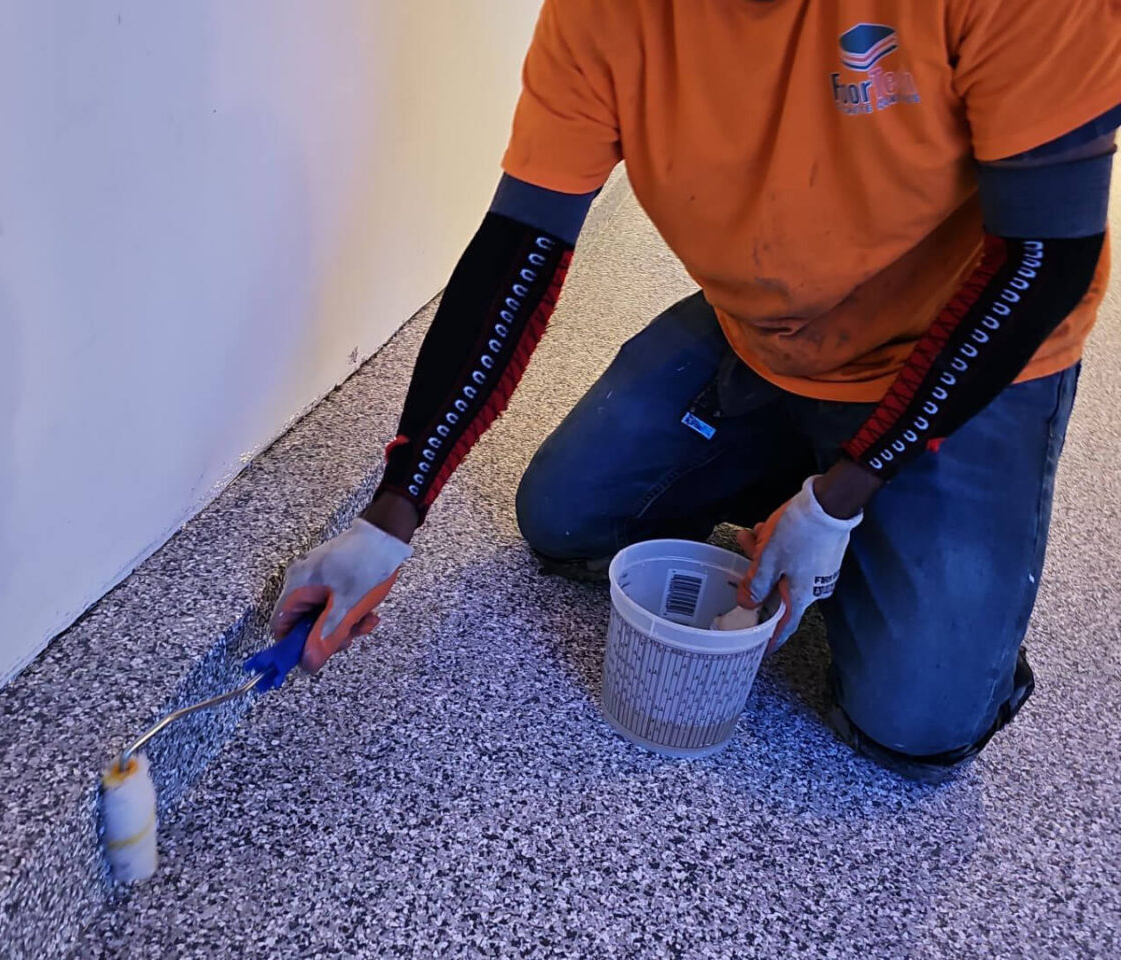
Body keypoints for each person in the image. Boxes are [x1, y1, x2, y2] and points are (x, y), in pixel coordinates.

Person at [270, 1, 1121, 781]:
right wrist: (393, 515)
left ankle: (917, 580)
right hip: (769, 338)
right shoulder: (604, 16)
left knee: (913, 722)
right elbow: (516, 255)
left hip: (975, 350)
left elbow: (1044, 259)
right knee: (567, 520)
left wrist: (839, 498)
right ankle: (808, 477)